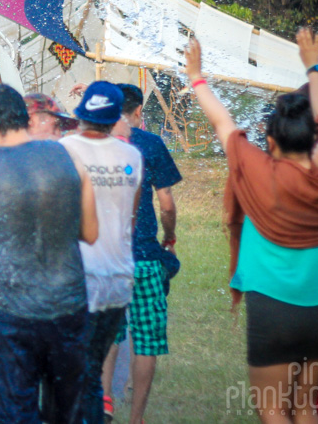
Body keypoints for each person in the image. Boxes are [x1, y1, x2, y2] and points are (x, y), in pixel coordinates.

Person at [185, 29, 318, 422]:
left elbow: (222, 121)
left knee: (272, 406)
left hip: (275, 306)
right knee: (305, 405)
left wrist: (196, 76)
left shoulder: (258, 170)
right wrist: (314, 66)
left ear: (270, 141)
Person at [0, 84, 98, 423]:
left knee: (14, 413)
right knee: (70, 411)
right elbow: (90, 234)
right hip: (69, 306)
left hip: (13, 315)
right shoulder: (69, 158)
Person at [59, 81, 142, 424]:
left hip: (79, 277)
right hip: (120, 276)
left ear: (80, 116)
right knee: (91, 370)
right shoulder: (131, 155)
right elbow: (131, 221)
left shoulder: (63, 149)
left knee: (68, 374)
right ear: (114, 119)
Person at [101, 83, 182, 424]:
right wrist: (170, 235)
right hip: (146, 256)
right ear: (137, 112)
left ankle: (103, 401)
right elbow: (166, 203)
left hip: (107, 255)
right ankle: (136, 418)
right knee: (145, 338)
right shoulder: (150, 143)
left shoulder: (93, 143)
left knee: (109, 333)